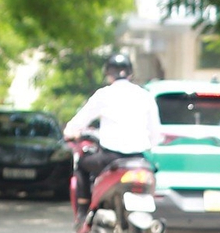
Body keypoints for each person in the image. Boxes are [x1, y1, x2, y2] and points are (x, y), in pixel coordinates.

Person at [64, 52, 163, 219]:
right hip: (139, 160)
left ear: (109, 74)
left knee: (82, 164)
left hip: (109, 158)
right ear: (130, 73)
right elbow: (155, 135)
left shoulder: (103, 94)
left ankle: (83, 212)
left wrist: (69, 132)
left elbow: (78, 123)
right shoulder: (145, 95)